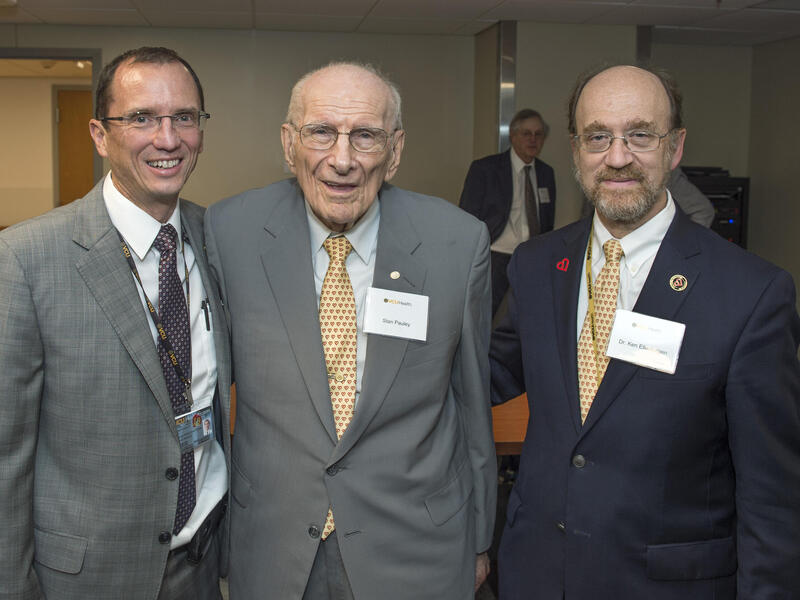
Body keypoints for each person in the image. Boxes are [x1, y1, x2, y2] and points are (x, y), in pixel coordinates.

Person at [490, 64, 800, 599]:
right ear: (575, 149)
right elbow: (489, 372)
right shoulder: (536, 265)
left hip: (664, 585)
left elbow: (771, 498)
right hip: (536, 574)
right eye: (598, 137)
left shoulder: (752, 294)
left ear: (675, 147)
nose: (617, 157)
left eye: (639, 135)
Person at [205, 61, 496, 600]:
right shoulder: (229, 231)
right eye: (321, 133)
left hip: (416, 546)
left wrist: (479, 539)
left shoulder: (457, 243)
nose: (342, 160)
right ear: (289, 143)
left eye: (365, 136)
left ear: (396, 149)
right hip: (273, 543)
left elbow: (471, 401)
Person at [0, 47, 231, 599]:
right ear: (100, 135)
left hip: (203, 560)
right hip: (87, 576)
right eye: (142, 118)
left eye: (184, 118)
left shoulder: (218, 237)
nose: (168, 138)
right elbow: (6, 456)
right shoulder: (26, 258)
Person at [460, 108, 557, 316]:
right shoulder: (485, 169)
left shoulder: (546, 173)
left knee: (525, 318)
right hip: (495, 257)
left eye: (538, 134)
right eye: (526, 134)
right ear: (513, 136)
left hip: (531, 258)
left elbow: (548, 221)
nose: (533, 140)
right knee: (486, 317)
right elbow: (467, 218)